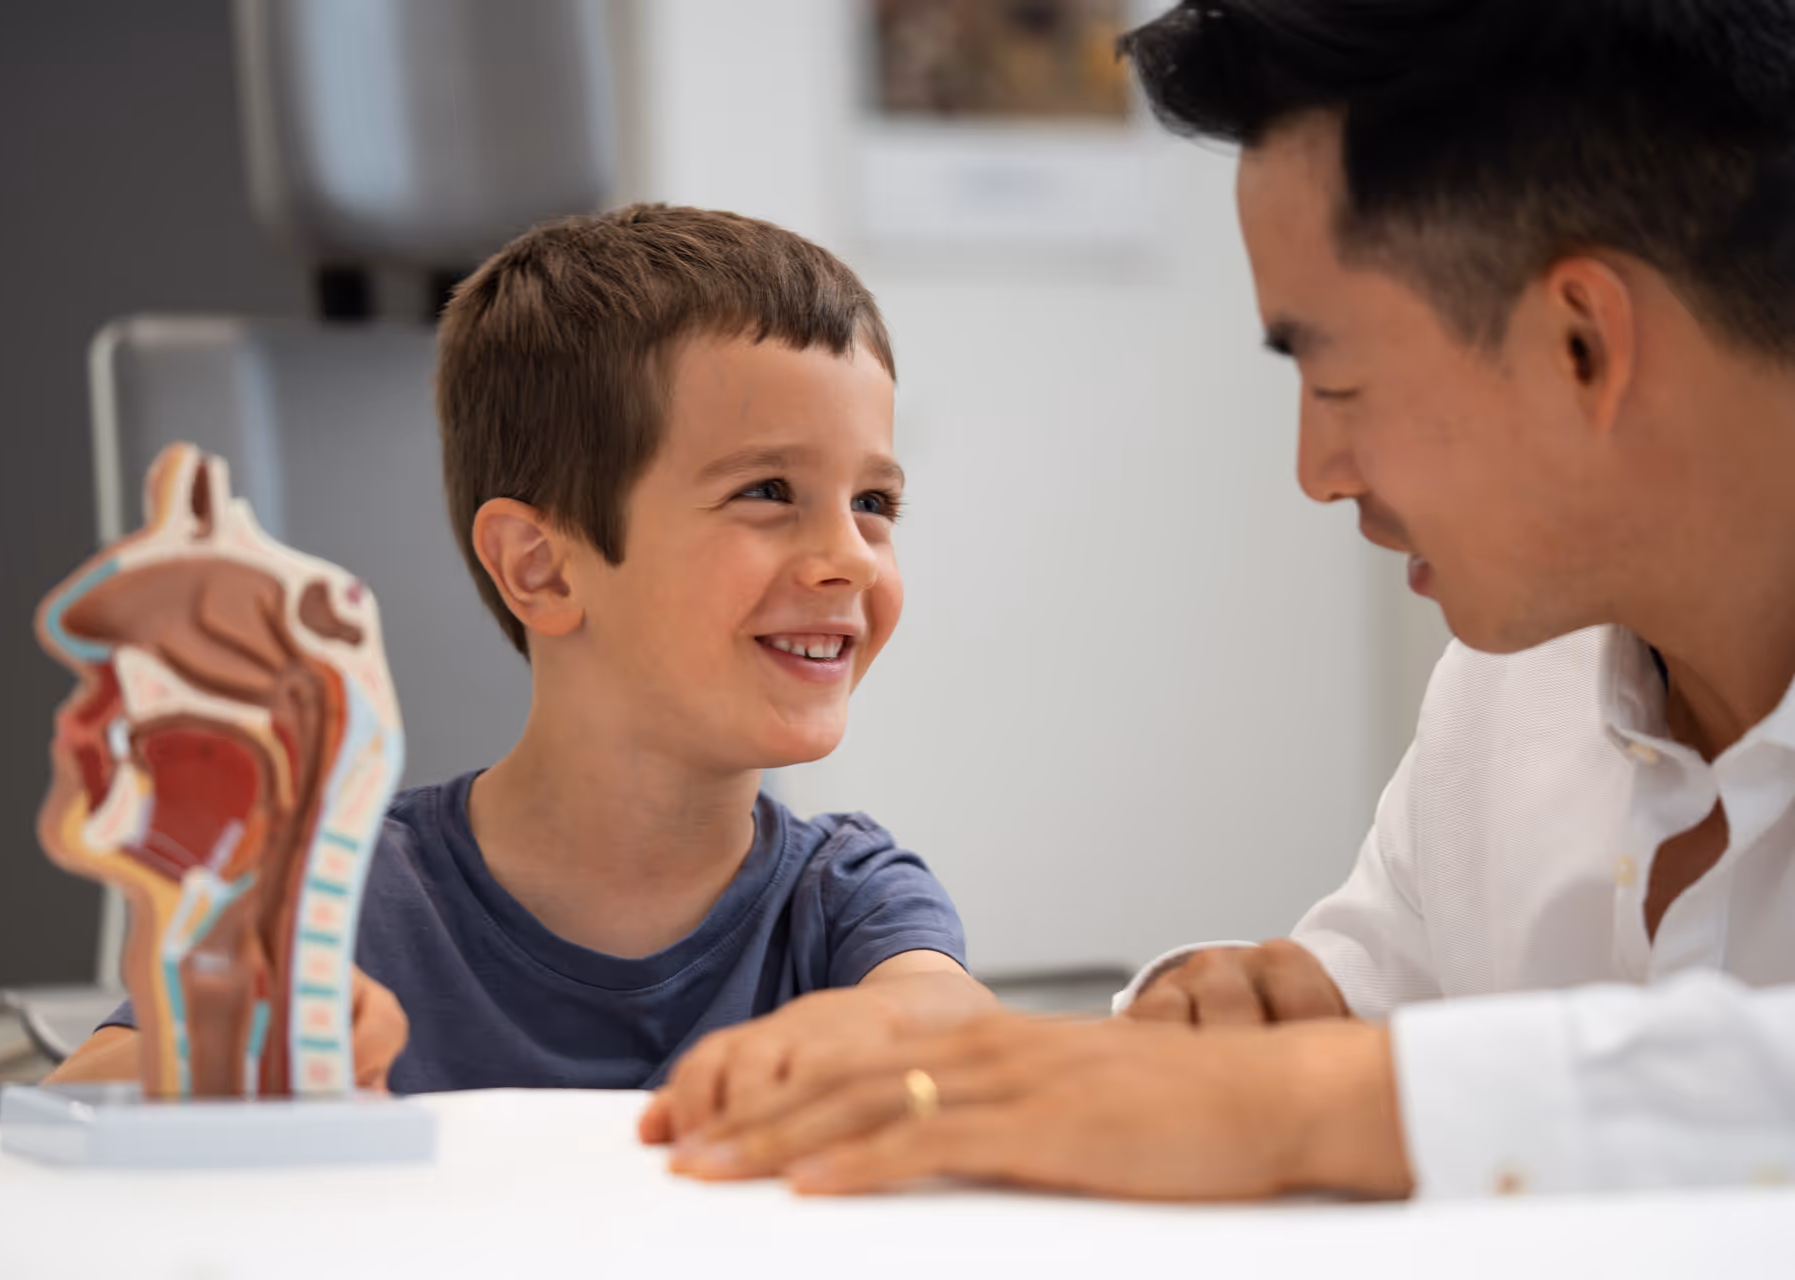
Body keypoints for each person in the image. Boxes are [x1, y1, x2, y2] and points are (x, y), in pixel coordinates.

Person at [657, 0, 1795, 1199]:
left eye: (1338, 380)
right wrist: (1242, 1006)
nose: (1316, 471)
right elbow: (1342, 1006)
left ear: (1583, 344)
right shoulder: (1508, 701)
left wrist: (1311, 1102)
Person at [48, 204, 994, 1126]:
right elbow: (79, 1100)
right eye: (768, 491)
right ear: (540, 567)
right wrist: (259, 1058)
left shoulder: (850, 895)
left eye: (874, 501)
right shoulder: (331, 897)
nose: (852, 557)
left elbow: (946, 1026)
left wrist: (873, 1038)